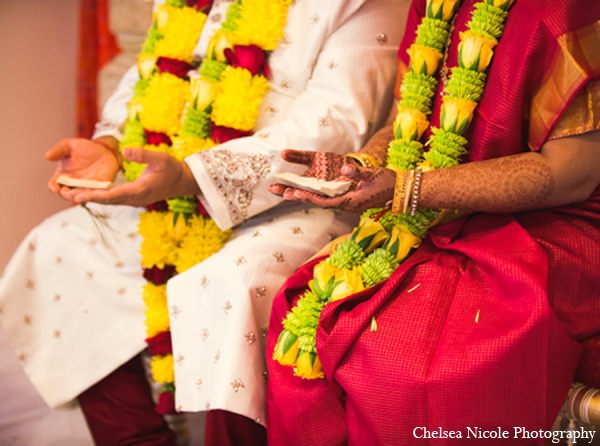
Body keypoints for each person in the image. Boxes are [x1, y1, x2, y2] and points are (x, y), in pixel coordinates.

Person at [0, 0, 408, 444]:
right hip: (169, 192)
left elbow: (340, 125)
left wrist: (193, 176)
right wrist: (112, 145)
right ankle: (134, 438)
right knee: (60, 246)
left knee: (231, 285)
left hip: (299, 198)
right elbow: (149, 74)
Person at [266, 0, 600, 444]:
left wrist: (407, 188)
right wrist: (359, 168)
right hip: (433, 211)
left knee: (413, 367)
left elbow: (572, 174)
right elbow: (402, 123)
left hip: (548, 224)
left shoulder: (568, 10)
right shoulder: (430, 5)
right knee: (298, 305)